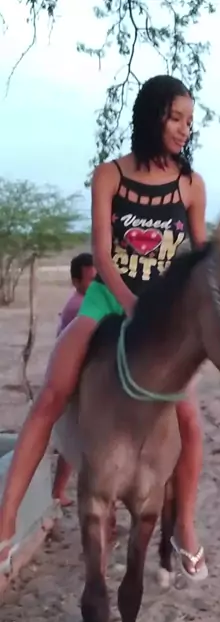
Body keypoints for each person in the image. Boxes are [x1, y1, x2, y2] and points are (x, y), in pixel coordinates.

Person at [0, 75, 208, 579]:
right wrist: (129, 304)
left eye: (189, 121)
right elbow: (101, 252)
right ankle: (6, 521)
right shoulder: (109, 175)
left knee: (189, 419)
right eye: (176, 118)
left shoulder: (191, 185)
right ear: (153, 117)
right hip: (106, 298)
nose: (184, 129)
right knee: (52, 393)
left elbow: (201, 258)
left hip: (159, 315)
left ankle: (184, 525)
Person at [52, 252, 96, 506]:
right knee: (80, 441)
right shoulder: (80, 307)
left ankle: (58, 491)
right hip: (76, 380)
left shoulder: (83, 301)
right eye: (91, 280)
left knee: (72, 440)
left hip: (77, 377)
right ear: (76, 281)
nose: (95, 284)